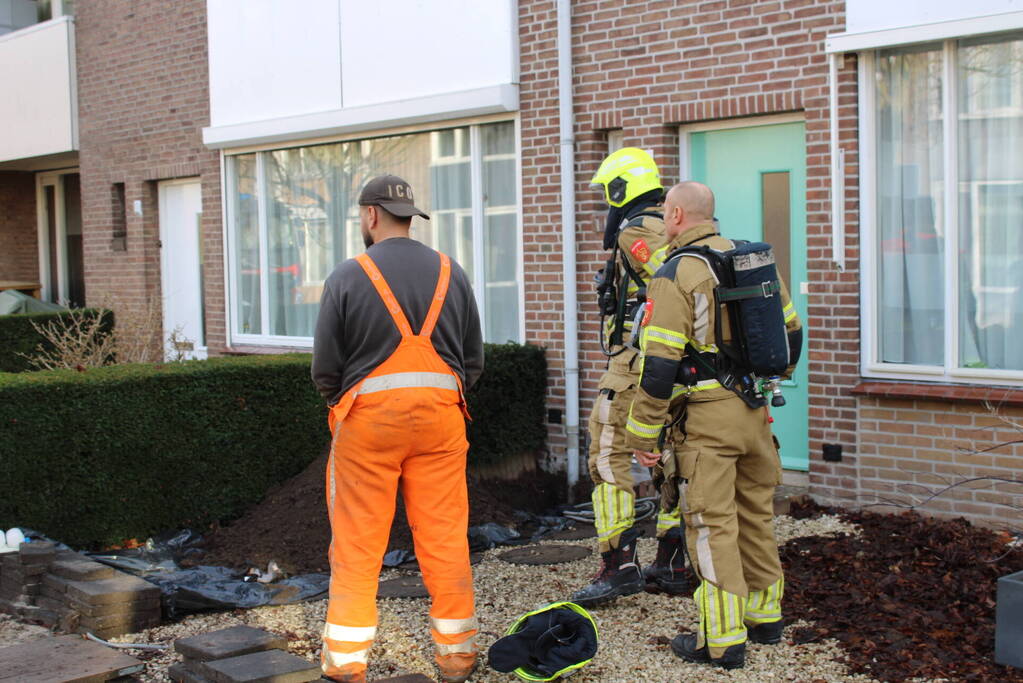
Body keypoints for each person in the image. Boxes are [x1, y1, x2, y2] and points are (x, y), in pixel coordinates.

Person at [312, 174, 484, 683]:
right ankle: (456, 657)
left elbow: (326, 368)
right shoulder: (453, 273)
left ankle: (346, 664)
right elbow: (472, 361)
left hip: (369, 424)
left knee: (359, 540)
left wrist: (345, 401)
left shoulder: (347, 275)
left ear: (369, 216)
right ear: (410, 218)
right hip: (440, 419)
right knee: (445, 536)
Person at [625, 181, 802, 670]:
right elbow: (791, 334)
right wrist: (766, 383)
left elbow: (658, 364)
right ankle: (765, 618)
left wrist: (642, 434)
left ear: (678, 214)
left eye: (665, 212)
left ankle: (720, 642)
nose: (662, 219)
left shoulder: (677, 272)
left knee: (711, 525)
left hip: (707, 424)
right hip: (754, 415)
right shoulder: (752, 260)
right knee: (755, 516)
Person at [569, 148, 689, 608]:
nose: (606, 202)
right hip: (671, 363)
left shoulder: (638, 228)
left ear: (622, 188)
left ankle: (617, 565)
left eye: (607, 192)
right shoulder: (670, 224)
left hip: (635, 362)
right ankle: (673, 560)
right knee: (667, 455)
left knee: (606, 453)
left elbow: (672, 282)